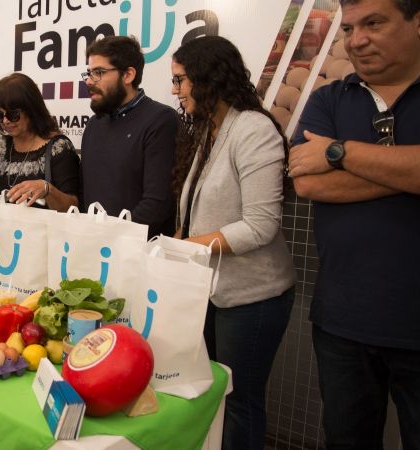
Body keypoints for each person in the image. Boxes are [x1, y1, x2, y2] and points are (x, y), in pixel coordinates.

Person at [289, 0, 420, 448]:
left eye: (375, 23)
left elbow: (325, 168)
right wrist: (405, 172)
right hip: (342, 324)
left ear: (417, 21)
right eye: (349, 28)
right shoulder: (329, 98)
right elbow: (306, 185)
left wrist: (339, 152)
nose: (357, 39)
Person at [171, 36, 295, 450]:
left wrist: (191, 245)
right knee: (214, 393)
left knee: (241, 400)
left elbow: (260, 226)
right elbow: (201, 208)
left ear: (208, 78)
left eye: (180, 80)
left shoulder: (254, 129)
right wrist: (180, 241)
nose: (175, 90)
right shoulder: (209, 130)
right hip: (212, 292)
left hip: (252, 297)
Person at [80, 35, 177, 237]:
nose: (89, 81)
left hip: (138, 254)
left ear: (128, 75)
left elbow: (156, 204)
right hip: (92, 249)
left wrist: (112, 239)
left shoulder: (161, 120)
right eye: (89, 73)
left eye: (99, 72)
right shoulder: (94, 124)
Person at [0, 73, 80, 212]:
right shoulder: (0, 147)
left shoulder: (59, 148)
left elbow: (73, 207)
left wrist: (47, 190)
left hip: (45, 233)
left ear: (32, 109)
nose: (5, 121)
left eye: (12, 114)